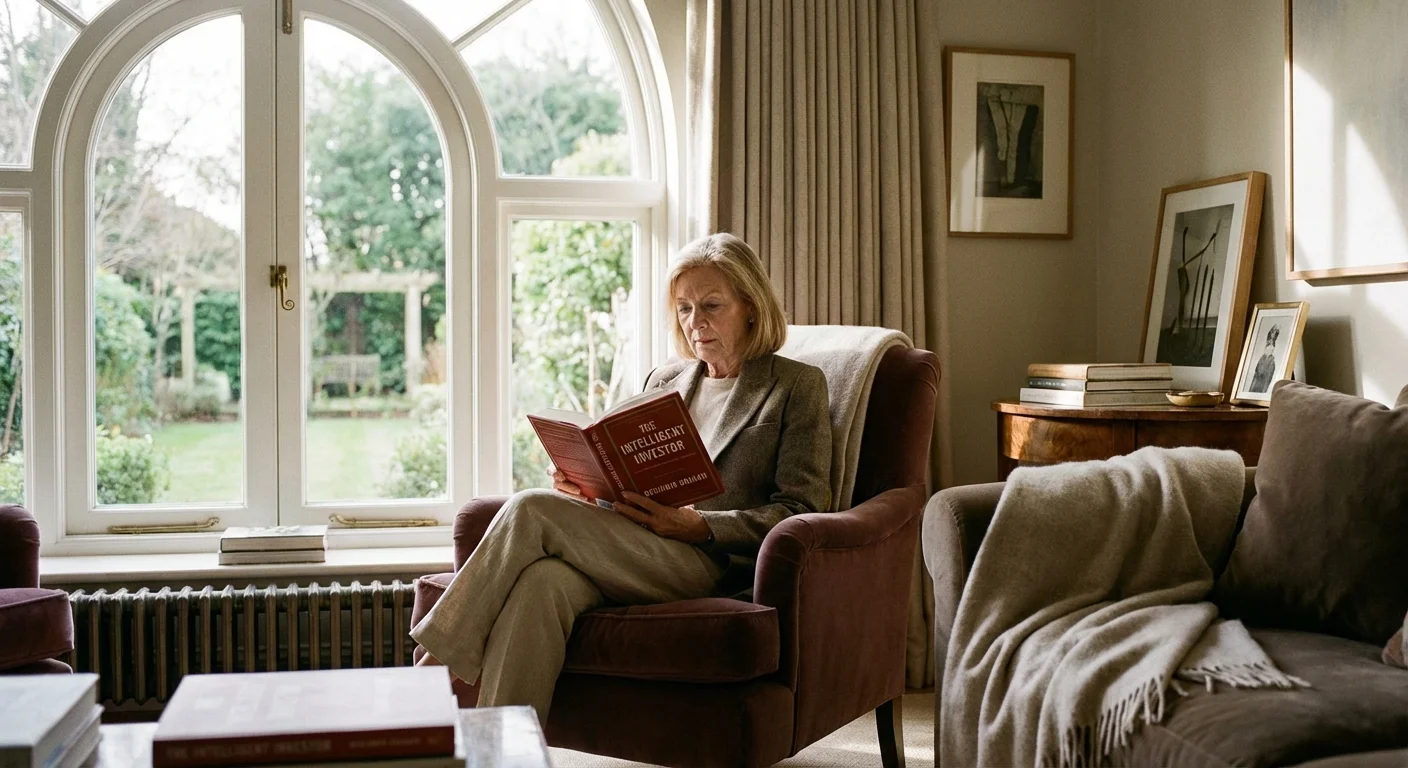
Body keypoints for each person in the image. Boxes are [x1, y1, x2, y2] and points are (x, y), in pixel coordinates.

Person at [409, 233, 832, 721]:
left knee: (529, 507)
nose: (696, 323)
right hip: (632, 545)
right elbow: (624, 476)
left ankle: (434, 659)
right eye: (685, 308)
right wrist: (586, 487)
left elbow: (802, 511)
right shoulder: (665, 381)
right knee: (542, 584)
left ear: (751, 306)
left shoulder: (796, 386)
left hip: (708, 561)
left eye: (712, 305)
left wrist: (700, 526)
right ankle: (502, 753)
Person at [1248, 323, 1281, 393]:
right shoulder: (1261, 359)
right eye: (1267, 349)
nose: (1268, 350)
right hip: (1256, 382)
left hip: (1262, 385)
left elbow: (1268, 378)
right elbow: (1256, 372)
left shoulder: (1272, 363)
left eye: (1270, 349)